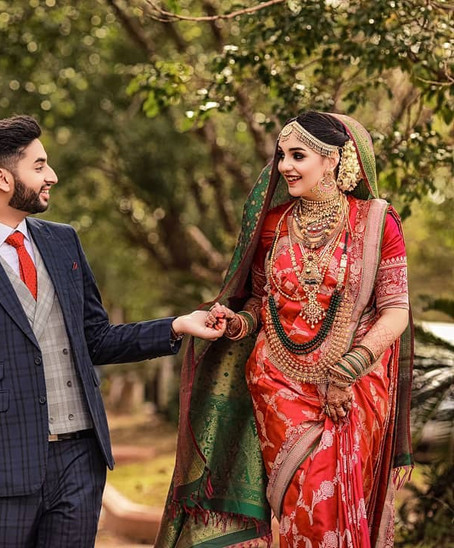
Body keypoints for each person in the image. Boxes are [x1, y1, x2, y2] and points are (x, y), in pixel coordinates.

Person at [0, 114, 225, 546]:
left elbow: (95, 338)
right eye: (39, 166)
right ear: (3, 177)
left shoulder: (64, 243)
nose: (52, 177)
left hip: (79, 461)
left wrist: (176, 326)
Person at [155, 112, 413, 548]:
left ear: (333, 160)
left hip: (353, 389)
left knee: (332, 503)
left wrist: (349, 368)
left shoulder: (376, 223)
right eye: (281, 157)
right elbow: (260, 301)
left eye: (298, 156)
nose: (284, 167)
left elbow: (396, 311)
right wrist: (238, 323)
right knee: (301, 506)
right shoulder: (273, 224)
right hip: (277, 385)